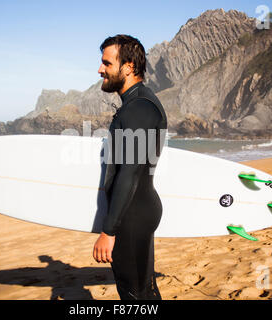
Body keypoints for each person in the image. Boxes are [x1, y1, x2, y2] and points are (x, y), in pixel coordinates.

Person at [92, 34, 167, 300]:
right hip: (134, 210)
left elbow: (131, 171)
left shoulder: (140, 108)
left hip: (132, 215)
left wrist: (109, 230)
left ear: (129, 67)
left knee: (135, 295)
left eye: (106, 63)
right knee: (143, 291)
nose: (100, 69)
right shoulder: (137, 104)